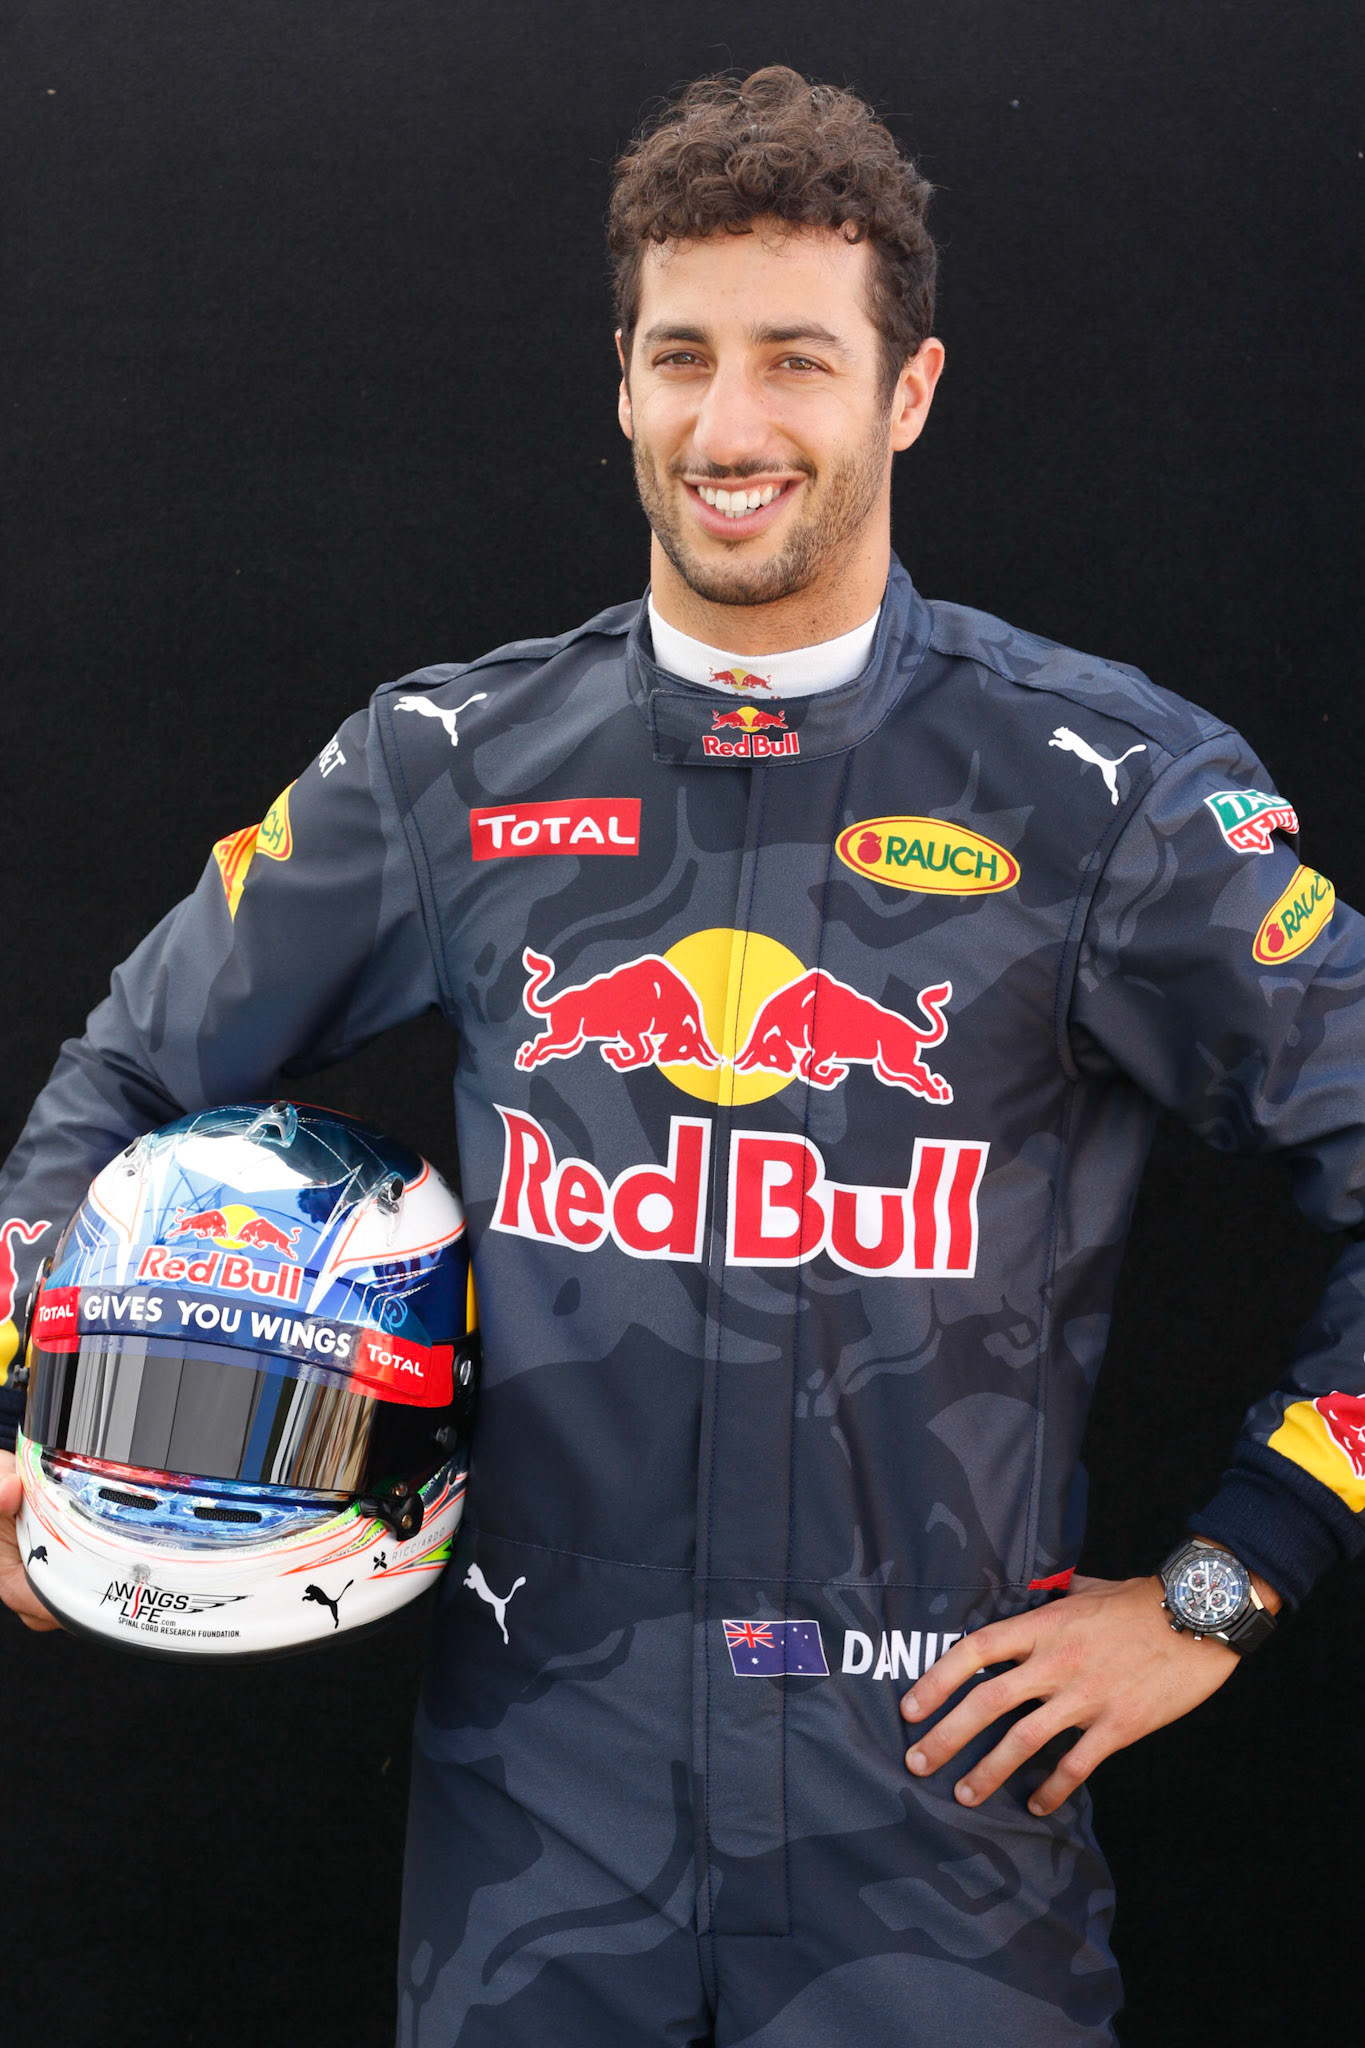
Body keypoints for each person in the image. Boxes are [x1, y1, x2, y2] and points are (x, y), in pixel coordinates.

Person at [1, 63, 1361, 2047]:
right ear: (621, 382)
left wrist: (1229, 1579)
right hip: (538, 1809)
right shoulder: (446, 767)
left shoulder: (1109, 796)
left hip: (941, 1828)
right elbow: (110, 1094)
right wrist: (26, 1414)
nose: (731, 428)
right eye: (681, 358)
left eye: (796, 361)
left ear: (904, 391)